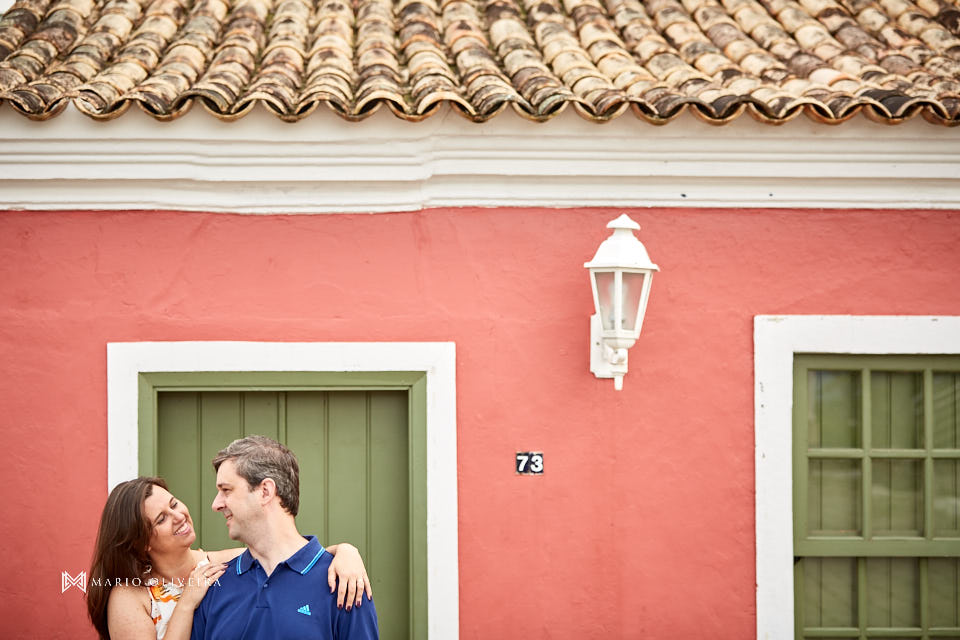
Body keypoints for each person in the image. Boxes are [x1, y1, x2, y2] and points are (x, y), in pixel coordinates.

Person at [87, 476, 373, 640]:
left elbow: (291, 553)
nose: (179, 516)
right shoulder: (130, 595)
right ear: (142, 541)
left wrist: (347, 551)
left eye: (174, 503)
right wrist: (186, 603)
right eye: (161, 518)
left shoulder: (228, 563)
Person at [191, 435, 379, 639]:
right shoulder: (214, 585)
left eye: (226, 490)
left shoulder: (345, 584)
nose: (216, 504)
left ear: (265, 491)